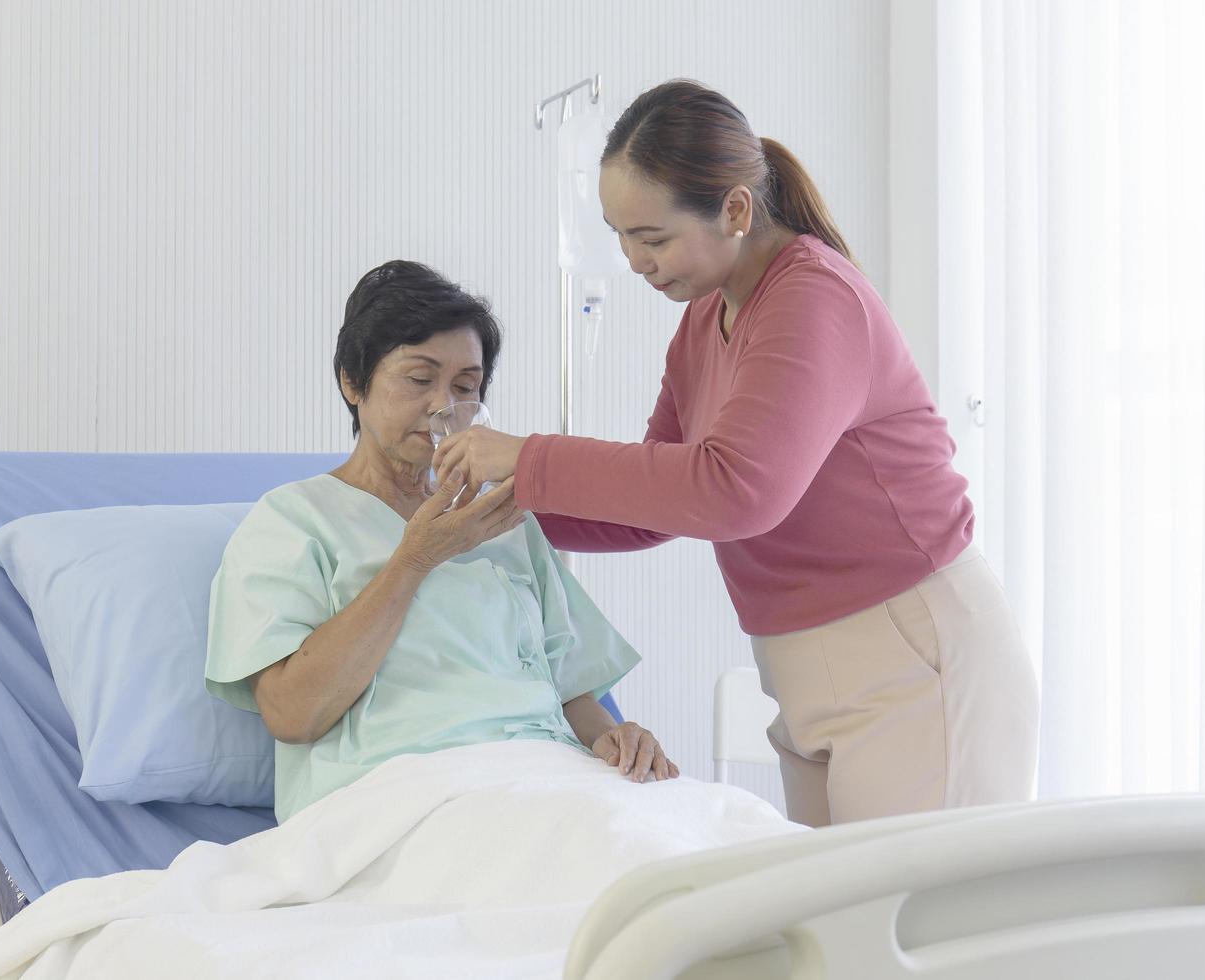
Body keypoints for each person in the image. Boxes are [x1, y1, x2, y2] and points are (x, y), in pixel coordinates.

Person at [433, 81, 1039, 826]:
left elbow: (736, 491)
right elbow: (651, 509)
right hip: (804, 669)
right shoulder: (703, 323)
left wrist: (526, 457)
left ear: (736, 210)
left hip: (908, 654)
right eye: (619, 235)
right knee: (831, 930)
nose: (632, 262)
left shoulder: (813, 300)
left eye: (651, 238)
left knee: (914, 927)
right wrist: (497, 512)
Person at [205, 259, 679, 823]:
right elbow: (293, 714)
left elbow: (572, 688)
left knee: (704, 842)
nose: (441, 406)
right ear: (352, 381)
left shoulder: (503, 519)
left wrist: (615, 739)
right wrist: (415, 559)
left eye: (464, 387)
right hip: (400, 795)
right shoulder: (294, 520)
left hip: (546, 775)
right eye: (419, 378)